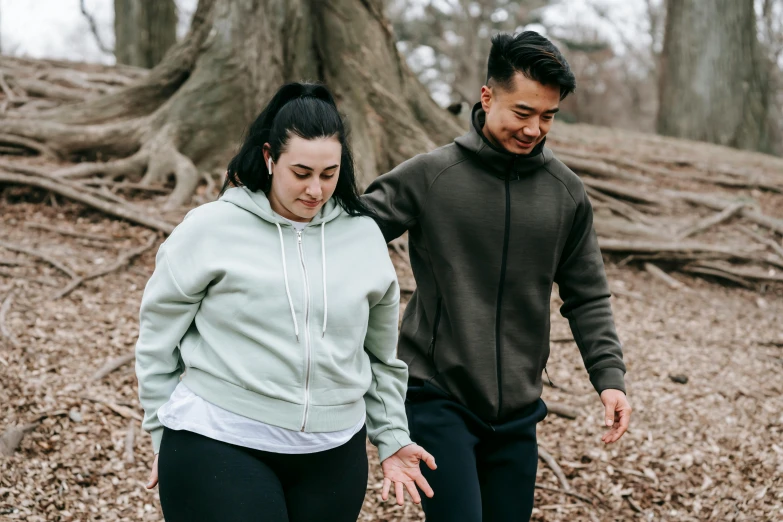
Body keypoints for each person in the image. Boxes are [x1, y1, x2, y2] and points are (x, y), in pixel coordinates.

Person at [135, 82, 435, 522]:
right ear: (269, 157)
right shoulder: (210, 228)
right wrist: (163, 431)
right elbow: (157, 337)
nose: (316, 190)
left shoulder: (363, 236)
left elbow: (381, 356)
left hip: (333, 455)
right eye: (301, 173)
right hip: (218, 440)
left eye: (329, 174)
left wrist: (391, 435)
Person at [362, 31, 632, 521]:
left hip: (518, 415)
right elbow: (346, 237)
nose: (533, 129)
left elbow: (587, 295)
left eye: (547, 116)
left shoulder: (566, 193)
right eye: (522, 113)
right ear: (487, 98)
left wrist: (609, 377)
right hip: (438, 397)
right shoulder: (431, 175)